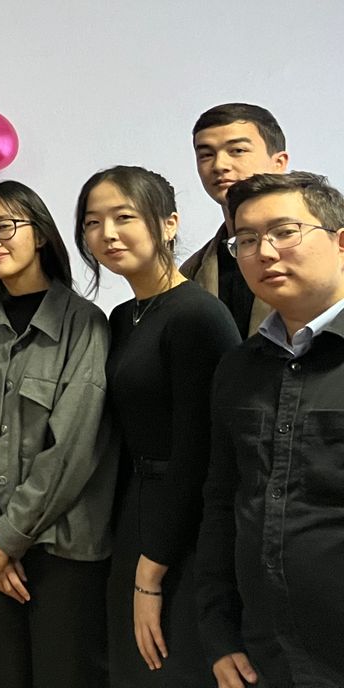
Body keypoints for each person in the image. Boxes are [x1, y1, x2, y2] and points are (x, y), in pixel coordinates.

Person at [0, 181, 117, 688]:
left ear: (38, 233)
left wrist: (5, 538)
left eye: (4, 227)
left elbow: (74, 448)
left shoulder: (85, 323)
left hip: (62, 551)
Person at [77, 166, 239, 687]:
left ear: (169, 223)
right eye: (93, 222)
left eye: (124, 217)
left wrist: (152, 570)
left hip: (182, 529)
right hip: (134, 511)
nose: (107, 234)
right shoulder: (124, 316)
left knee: (167, 668)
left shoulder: (198, 316)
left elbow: (201, 451)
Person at [198, 171, 344, 687]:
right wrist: (219, 633)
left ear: (341, 242)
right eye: (247, 239)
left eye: (285, 232)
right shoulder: (239, 368)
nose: (264, 252)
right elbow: (223, 501)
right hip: (266, 652)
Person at [182, 104, 289, 337]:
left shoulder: (324, 249)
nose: (219, 165)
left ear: (278, 163)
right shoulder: (191, 271)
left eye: (237, 150)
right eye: (206, 155)